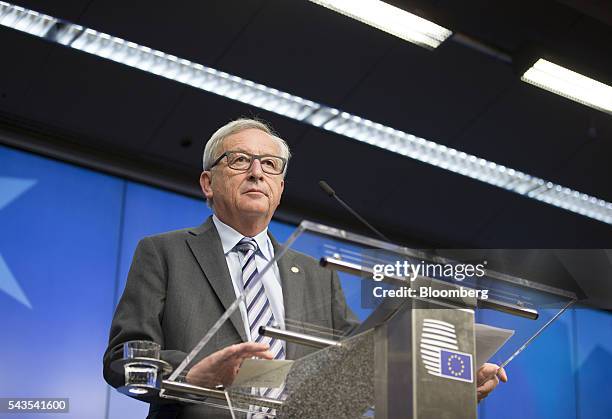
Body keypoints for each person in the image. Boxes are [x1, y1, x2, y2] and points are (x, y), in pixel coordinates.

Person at [103, 118, 505, 418]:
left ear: (279, 188)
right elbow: (122, 362)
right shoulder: (164, 252)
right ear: (208, 183)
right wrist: (192, 376)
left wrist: (445, 386)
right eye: (240, 160)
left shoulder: (316, 273)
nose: (257, 171)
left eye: (270, 165)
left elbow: (358, 370)